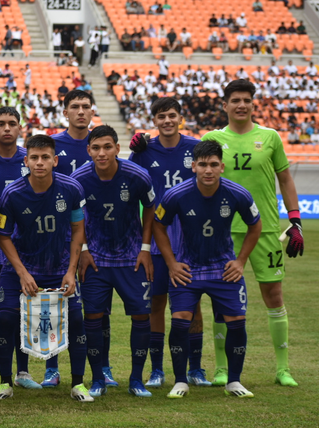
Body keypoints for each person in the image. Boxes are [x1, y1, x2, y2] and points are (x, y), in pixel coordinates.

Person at [202, 79, 303, 387]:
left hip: (265, 230)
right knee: (221, 300)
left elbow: (285, 180)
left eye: (246, 99)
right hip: (222, 232)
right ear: (225, 105)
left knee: (273, 295)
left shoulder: (270, 137)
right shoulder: (213, 138)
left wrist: (295, 219)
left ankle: (283, 368)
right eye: (235, 100)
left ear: (252, 104)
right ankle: (221, 368)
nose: (241, 105)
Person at [154, 139, 262, 399]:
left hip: (223, 269)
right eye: (203, 164)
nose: (208, 170)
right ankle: (181, 381)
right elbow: (158, 225)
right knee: (180, 323)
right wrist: (171, 263)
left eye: (214, 164)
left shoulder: (238, 194)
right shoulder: (175, 195)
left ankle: (234, 382)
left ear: (222, 167)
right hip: (187, 270)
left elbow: (255, 225)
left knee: (236, 322)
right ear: (194, 166)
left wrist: (240, 261)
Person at [0, 134, 92, 402]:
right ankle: (4, 383)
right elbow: (3, 235)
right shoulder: (12, 193)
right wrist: (23, 273)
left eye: (45, 157)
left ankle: (78, 384)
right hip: (19, 271)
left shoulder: (71, 189)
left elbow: (78, 228)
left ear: (55, 160)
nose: (40, 162)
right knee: (7, 320)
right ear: (26, 161)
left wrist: (71, 271)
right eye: (34, 157)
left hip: (58, 268)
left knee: (76, 320)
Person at [129, 97, 210, 388]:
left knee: (193, 305)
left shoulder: (195, 148)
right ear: (154, 121)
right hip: (154, 238)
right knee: (156, 304)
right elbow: (130, 186)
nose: (166, 121)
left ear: (181, 118)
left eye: (171, 115)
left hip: (190, 241)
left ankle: (196, 368)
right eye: (161, 116)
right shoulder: (143, 150)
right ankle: (157, 370)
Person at [71, 125, 156, 398]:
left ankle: (136, 379)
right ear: (88, 151)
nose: (102, 153)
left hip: (131, 258)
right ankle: (97, 379)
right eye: (95, 148)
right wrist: (83, 249)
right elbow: (75, 217)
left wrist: (145, 248)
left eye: (107, 147)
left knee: (142, 316)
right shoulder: (79, 178)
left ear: (117, 149)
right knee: (93, 317)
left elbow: (151, 208)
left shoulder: (138, 176)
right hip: (95, 259)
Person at [0, 107, 40, 389]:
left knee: (18, 314)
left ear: (20, 127)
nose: (6, 129)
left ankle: (22, 372)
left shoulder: (30, 160)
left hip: (22, 254)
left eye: (12, 123)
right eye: (1, 124)